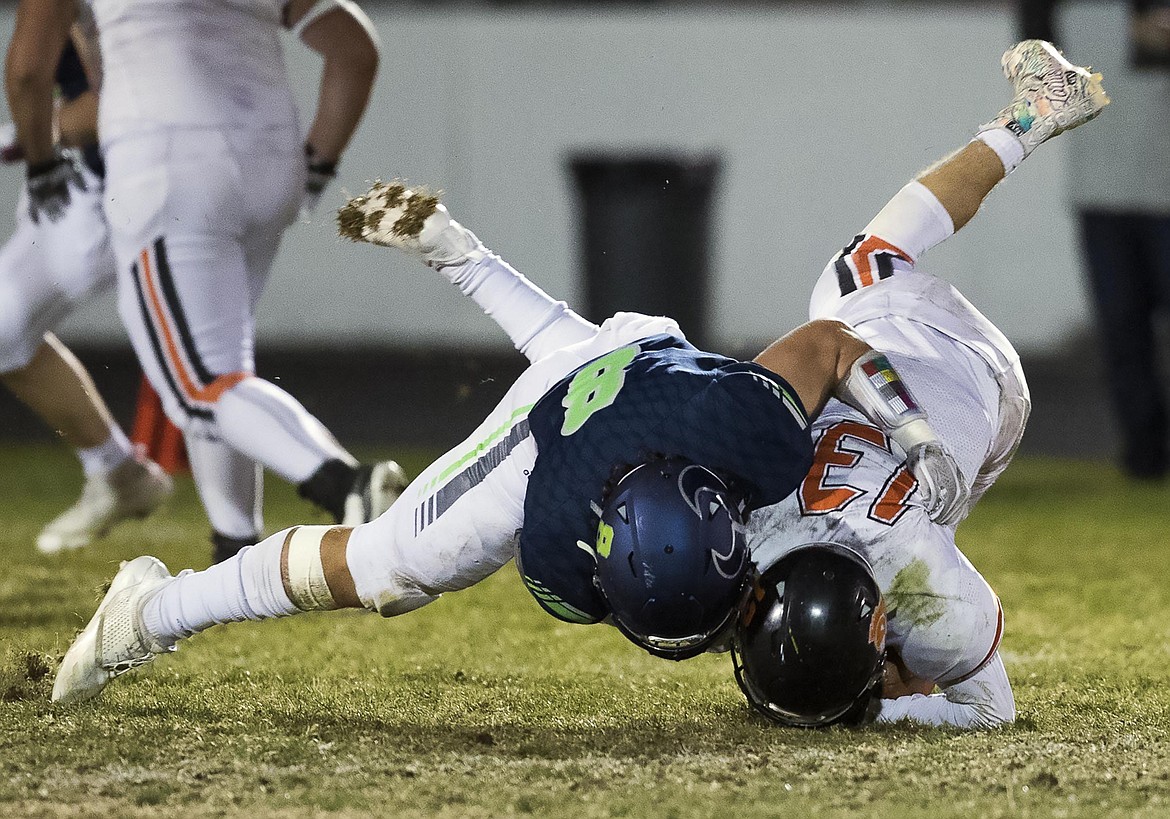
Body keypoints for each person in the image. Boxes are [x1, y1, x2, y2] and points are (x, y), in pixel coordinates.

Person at [50, 149, 988, 703]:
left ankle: (456, 251)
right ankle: (155, 608)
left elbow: (827, 342)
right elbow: (569, 383)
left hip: (643, 365)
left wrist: (915, 434)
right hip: (560, 430)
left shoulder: (745, 427)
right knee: (385, 571)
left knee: (576, 356)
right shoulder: (552, 535)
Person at [731, 39, 1107, 730]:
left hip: (992, 420)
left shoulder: (918, 587)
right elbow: (994, 712)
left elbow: (984, 708)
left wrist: (873, 706)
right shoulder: (747, 525)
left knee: (922, 561)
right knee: (857, 269)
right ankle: (1034, 115)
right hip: (940, 367)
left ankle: (886, 663)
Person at [6, 0, 406, 564]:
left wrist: (42, 161)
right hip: (271, 159)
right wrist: (319, 163)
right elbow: (355, 50)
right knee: (221, 368)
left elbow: (28, 71)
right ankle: (235, 546)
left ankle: (347, 483)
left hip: (170, 167)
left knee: (196, 384)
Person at [0, 32, 173, 554]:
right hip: (113, 183)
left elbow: (141, 95)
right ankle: (120, 473)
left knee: (204, 375)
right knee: (7, 335)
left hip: (120, 193)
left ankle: (333, 482)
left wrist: (31, 137)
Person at [1020, 0, 1170, 479]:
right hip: (1099, 190)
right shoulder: (1063, 12)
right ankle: (1143, 455)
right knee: (1121, 329)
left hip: (1161, 184)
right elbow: (1032, 61)